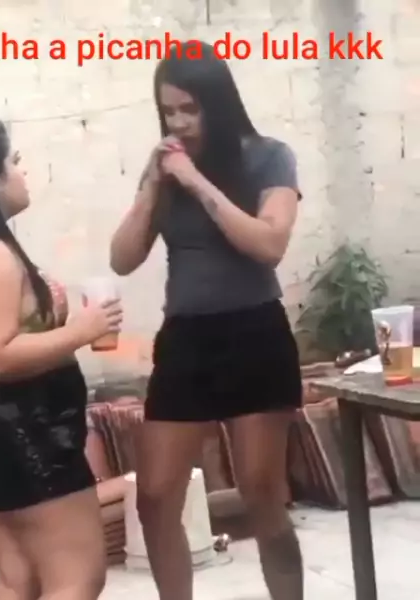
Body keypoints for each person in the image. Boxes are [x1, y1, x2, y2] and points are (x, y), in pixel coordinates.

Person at [110, 42, 303, 600]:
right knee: (155, 496)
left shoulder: (269, 157)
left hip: (254, 332)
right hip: (186, 341)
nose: (177, 122)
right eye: (168, 110)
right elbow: (122, 258)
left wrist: (195, 181)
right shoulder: (165, 171)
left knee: (262, 493)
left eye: (189, 109)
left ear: (218, 103)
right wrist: (153, 186)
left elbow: (269, 244)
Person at [0, 116, 122, 600]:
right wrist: (81, 331)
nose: (23, 172)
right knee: (76, 577)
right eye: (14, 162)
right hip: (22, 426)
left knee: (18, 578)